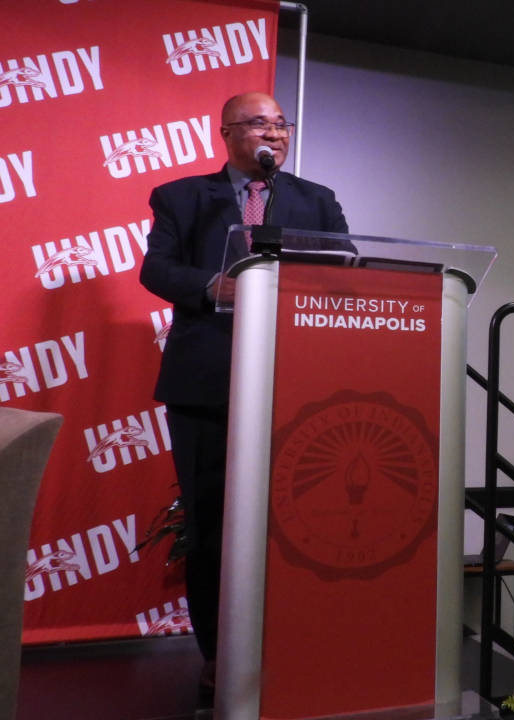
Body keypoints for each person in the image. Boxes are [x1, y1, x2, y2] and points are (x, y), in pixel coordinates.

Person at [139, 92, 348, 697]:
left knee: (294, 517)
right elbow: (157, 270)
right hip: (207, 382)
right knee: (212, 524)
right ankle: (220, 653)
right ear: (228, 133)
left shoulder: (316, 199)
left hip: (296, 380)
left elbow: (346, 261)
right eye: (259, 123)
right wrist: (217, 288)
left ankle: (291, 638)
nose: (274, 133)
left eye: (281, 124)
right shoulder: (183, 197)